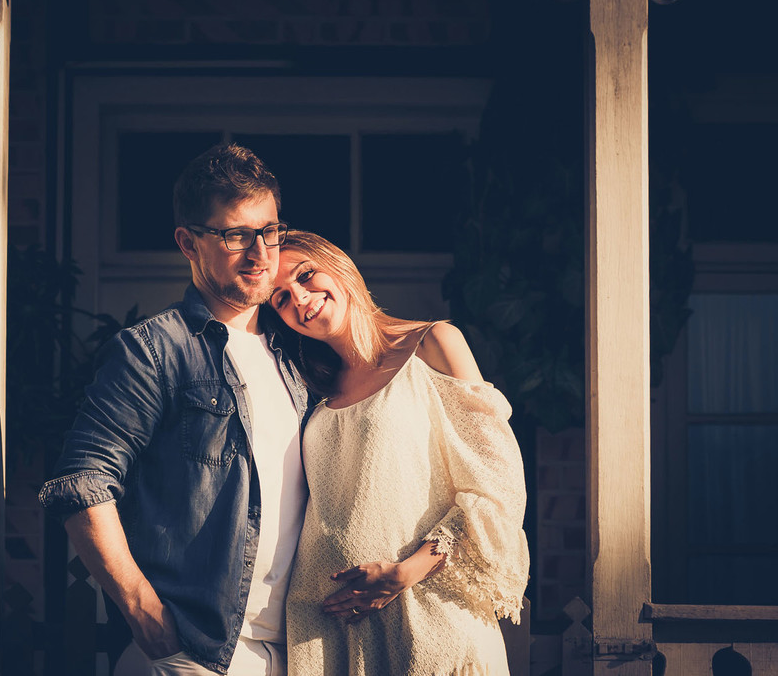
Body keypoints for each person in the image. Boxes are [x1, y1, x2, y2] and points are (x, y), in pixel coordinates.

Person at [39, 143, 310, 676]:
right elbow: (81, 483)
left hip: (295, 652)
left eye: (269, 231)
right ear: (188, 242)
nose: (260, 254)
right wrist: (149, 621)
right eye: (235, 236)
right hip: (193, 656)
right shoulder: (153, 350)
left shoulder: (297, 353)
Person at [267, 230, 529, 676]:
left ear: (339, 265)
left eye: (305, 275)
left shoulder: (433, 344)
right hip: (330, 631)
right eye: (280, 298)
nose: (300, 298)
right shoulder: (309, 389)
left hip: (428, 616)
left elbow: (496, 486)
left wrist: (403, 574)